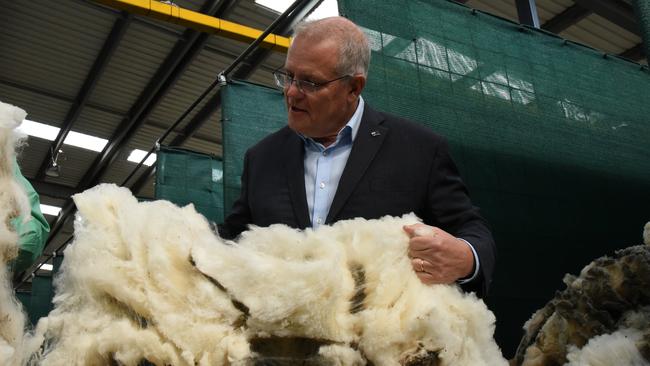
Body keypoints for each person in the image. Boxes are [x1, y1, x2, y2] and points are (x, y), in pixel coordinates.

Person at [219, 17, 496, 297]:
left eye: (310, 83)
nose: (291, 92)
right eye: (288, 76)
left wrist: (467, 257)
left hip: (379, 335)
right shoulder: (262, 158)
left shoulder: (419, 149)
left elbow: (470, 227)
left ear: (354, 87)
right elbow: (233, 238)